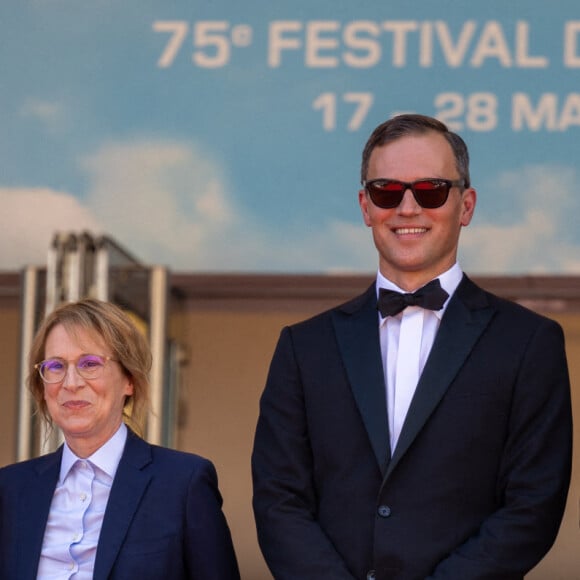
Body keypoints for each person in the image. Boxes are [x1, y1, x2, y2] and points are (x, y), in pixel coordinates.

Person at [251, 113, 573, 579]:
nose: (407, 208)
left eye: (431, 190)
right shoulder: (304, 348)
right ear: (365, 206)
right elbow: (279, 500)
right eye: (387, 191)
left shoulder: (529, 343)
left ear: (466, 205)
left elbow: (534, 506)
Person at [0, 298, 240, 580]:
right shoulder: (10, 489)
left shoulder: (183, 483)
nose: (71, 382)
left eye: (89, 363)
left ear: (129, 380)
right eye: (56, 366)